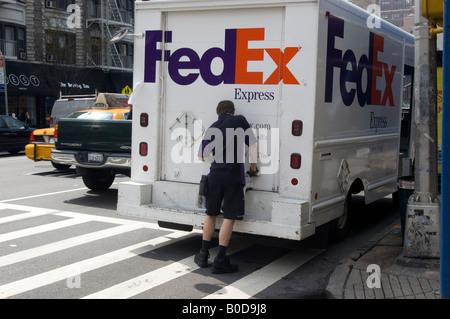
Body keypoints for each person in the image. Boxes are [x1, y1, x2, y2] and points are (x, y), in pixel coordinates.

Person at [195, 100, 259, 274]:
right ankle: (220, 259)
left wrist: (216, 164)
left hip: (214, 176)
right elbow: (252, 145)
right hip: (232, 177)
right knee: (229, 217)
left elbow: (202, 155)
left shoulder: (212, 127)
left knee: (211, 214)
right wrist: (253, 168)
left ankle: (202, 254)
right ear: (232, 111)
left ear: (218, 112)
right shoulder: (239, 120)